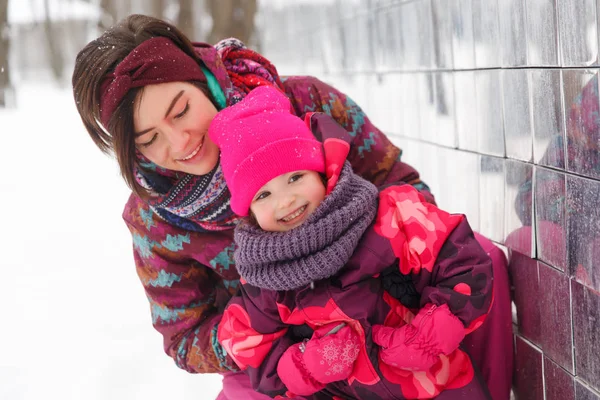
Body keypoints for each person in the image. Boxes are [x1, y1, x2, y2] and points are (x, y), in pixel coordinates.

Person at [71, 14, 512, 400]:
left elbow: (403, 184)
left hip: (390, 304)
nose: (179, 142)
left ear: (199, 80)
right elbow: (185, 338)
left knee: (481, 265)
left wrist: (379, 285)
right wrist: (286, 338)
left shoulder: (305, 104)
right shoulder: (153, 219)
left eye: (181, 110)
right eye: (148, 140)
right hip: (286, 354)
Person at [211, 85, 493, 399]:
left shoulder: (390, 217)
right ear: (248, 212)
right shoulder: (264, 278)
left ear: (321, 173)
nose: (285, 201)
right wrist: (307, 365)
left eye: (295, 178)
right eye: (263, 194)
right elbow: (252, 348)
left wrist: (430, 333)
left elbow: (462, 261)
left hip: (436, 386)